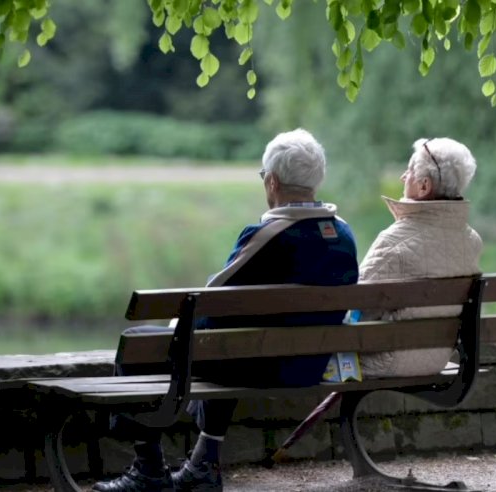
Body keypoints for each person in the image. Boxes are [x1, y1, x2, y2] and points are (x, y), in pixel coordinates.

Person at [93, 128, 358, 492]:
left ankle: (148, 469)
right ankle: (204, 462)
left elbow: (210, 297)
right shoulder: (343, 236)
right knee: (231, 338)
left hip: (261, 366)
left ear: (273, 182)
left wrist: (176, 327)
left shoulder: (267, 236)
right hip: (309, 366)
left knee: (145, 342)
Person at [356, 137, 482, 378]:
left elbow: (356, 306)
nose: (404, 177)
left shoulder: (395, 241)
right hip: (436, 360)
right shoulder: (472, 241)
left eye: (410, 170)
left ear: (424, 187)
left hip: (385, 360)